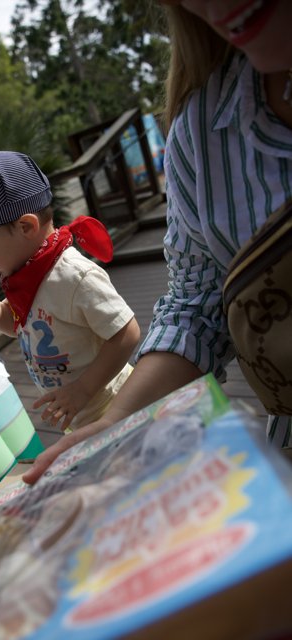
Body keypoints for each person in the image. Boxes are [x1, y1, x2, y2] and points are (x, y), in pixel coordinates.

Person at [22, 0, 292, 485]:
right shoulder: (202, 128)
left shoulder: (73, 274)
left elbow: (125, 330)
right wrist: (115, 423)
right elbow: (197, 302)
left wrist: (92, 395)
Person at [0, 151, 141, 432]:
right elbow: (12, 321)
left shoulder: (73, 276)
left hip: (114, 406)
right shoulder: (28, 277)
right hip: (78, 414)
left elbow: (126, 333)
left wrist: (82, 390)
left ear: (26, 226)